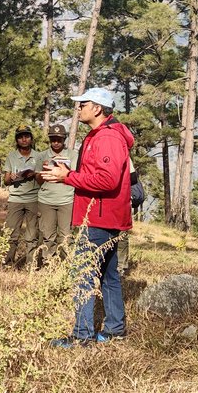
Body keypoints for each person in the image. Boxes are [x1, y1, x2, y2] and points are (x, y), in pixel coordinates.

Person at [40, 89, 134, 347]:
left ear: (97, 108)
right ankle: (114, 329)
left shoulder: (107, 137)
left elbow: (107, 180)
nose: (78, 108)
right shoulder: (100, 135)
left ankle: (82, 336)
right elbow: (97, 173)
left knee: (83, 275)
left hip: (99, 218)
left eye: (83, 104)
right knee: (108, 275)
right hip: (106, 216)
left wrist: (68, 177)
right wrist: (67, 173)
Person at [3, 125, 43, 267]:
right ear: (16, 140)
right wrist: (12, 177)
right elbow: (6, 181)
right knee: (11, 233)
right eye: (20, 137)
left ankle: (31, 265)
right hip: (15, 199)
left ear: (31, 139)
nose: (24, 139)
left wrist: (35, 174)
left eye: (27, 136)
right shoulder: (11, 156)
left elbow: (42, 181)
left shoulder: (38, 156)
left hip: (34, 199)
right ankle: (7, 263)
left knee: (32, 235)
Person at [37, 124, 75, 263]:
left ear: (64, 139)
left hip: (67, 200)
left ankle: (67, 265)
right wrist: (43, 171)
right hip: (46, 201)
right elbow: (38, 181)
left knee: (66, 236)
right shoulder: (42, 156)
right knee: (48, 235)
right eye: (53, 139)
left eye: (59, 139)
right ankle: (48, 264)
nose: (56, 142)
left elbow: (76, 177)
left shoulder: (73, 155)